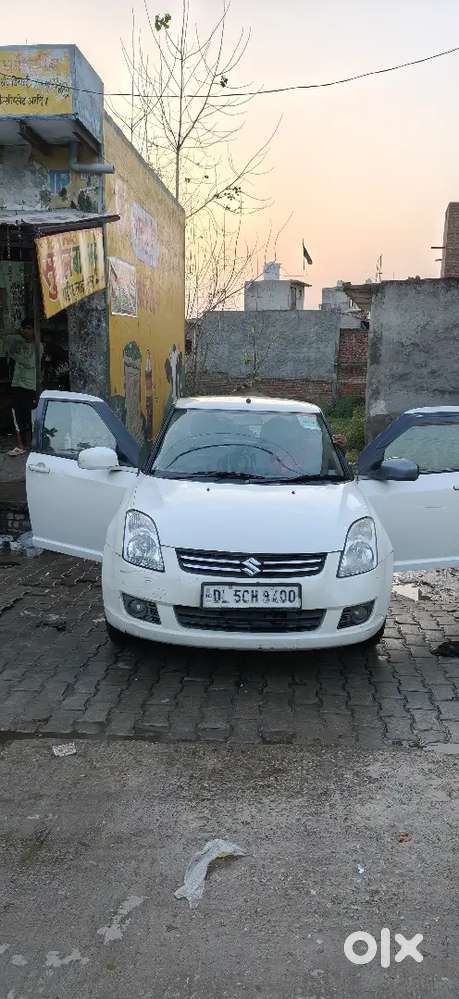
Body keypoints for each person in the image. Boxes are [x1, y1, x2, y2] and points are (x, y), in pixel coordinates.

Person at [6, 321, 42, 456]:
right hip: (17, 385)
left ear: (34, 330)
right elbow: (7, 339)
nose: (26, 331)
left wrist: (15, 356)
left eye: (29, 329)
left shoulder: (39, 346)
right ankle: (21, 445)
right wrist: (18, 333)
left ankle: (35, 445)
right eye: (24, 329)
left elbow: (31, 363)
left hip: (30, 386)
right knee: (17, 415)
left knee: (32, 417)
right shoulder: (19, 344)